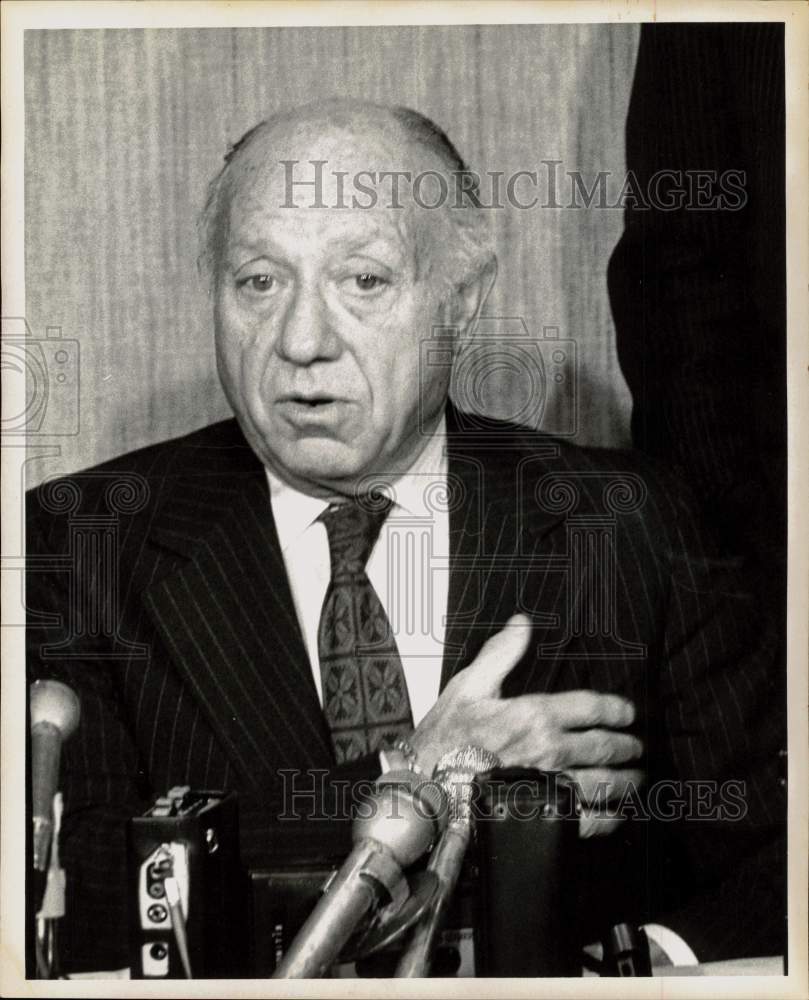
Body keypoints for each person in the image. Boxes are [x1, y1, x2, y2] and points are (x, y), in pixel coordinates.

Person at [26, 100, 785, 974]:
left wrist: (636, 966)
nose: (301, 342)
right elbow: (67, 906)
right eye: (259, 283)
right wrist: (419, 780)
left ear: (462, 301)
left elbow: (776, 853)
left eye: (364, 281)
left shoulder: (627, 521)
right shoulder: (80, 542)